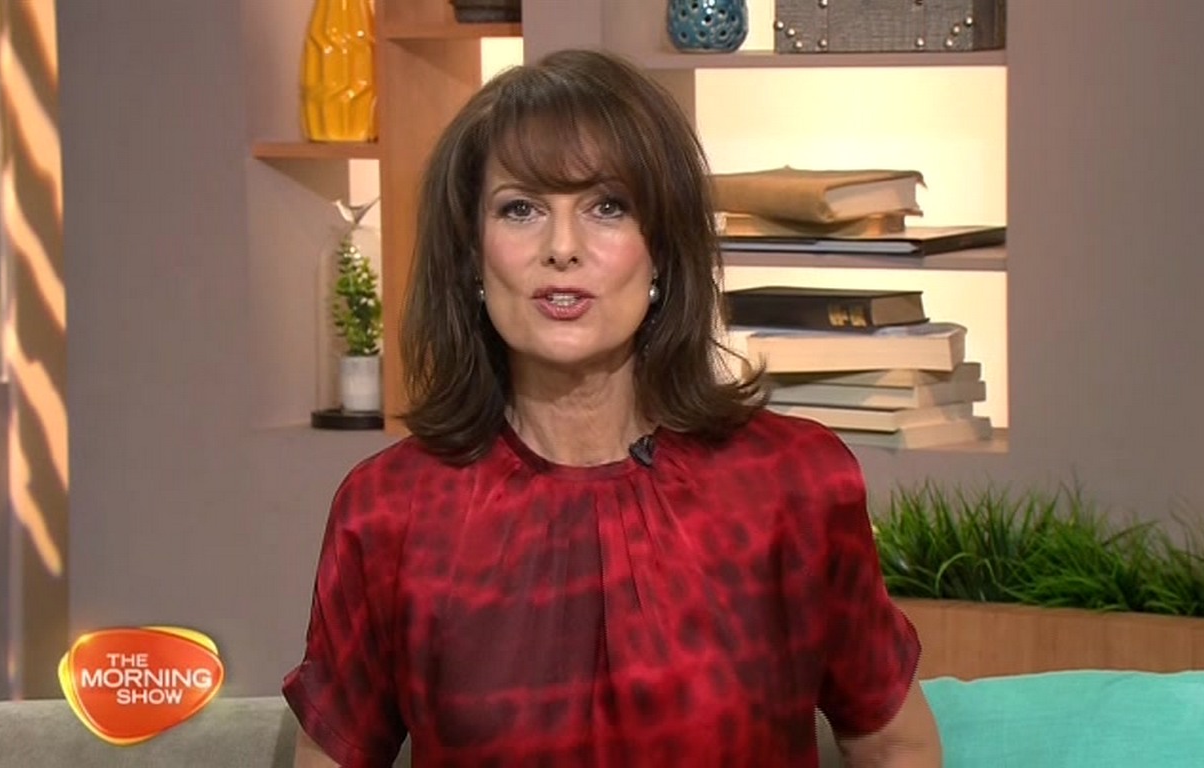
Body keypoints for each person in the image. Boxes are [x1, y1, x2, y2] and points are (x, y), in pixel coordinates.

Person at [283, 48, 942, 768]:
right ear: (472, 256)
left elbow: (896, 745)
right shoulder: (391, 513)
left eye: (607, 206)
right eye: (521, 209)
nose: (562, 248)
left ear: (661, 250)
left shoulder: (792, 484)